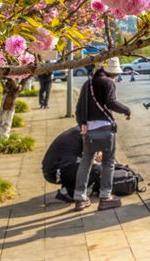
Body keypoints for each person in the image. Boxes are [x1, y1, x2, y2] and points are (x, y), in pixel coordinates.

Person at [73, 57, 131, 211]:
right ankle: (105, 197)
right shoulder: (108, 82)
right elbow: (111, 102)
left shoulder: (88, 83)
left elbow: (78, 108)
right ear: (111, 72)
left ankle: (80, 198)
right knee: (108, 163)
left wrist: (82, 124)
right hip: (105, 129)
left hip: (89, 131)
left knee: (85, 163)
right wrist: (126, 110)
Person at [42, 126, 83, 203]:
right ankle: (69, 192)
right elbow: (96, 158)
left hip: (51, 170)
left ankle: (68, 187)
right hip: (57, 172)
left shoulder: (77, 131)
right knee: (93, 170)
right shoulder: (85, 134)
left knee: (85, 164)